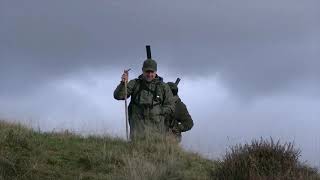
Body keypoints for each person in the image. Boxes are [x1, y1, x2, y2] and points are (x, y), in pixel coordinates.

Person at [114, 59, 175, 139]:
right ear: (142, 70)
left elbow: (171, 106)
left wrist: (159, 111)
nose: (149, 74)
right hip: (137, 131)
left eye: (152, 72)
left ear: (156, 72)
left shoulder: (163, 87)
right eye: (147, 72)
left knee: (156, 151)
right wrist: (123, 83)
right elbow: (119, 96)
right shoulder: (135, 83)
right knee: (135, 151)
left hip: (157, 133)